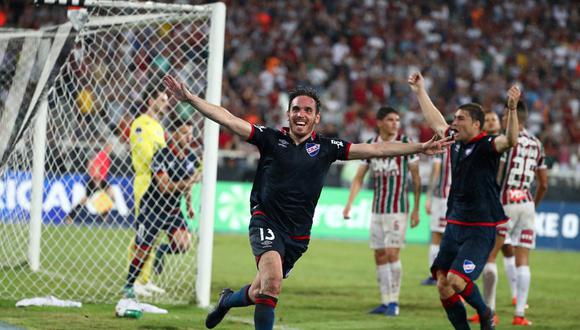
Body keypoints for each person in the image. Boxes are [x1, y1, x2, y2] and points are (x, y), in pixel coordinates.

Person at [162, 75, 452, 330]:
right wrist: (189, 98)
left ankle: (227, 300)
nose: (301, 114)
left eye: (307, 110)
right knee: (273, 281)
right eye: (296, 109)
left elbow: (377, 148)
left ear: (317, 118)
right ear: (288, 114)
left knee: (262, 289)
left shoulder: (328, 148)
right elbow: (228, 118)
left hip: (298, 234)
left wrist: (420, 147)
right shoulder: (270, 139)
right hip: (266, 220)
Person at [408, 71, 521, 330]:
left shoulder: (487, 145)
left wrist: (512, 110)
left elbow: (510, 140)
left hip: (480, 228)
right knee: (443, 284)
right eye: (455, 117)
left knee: (457, 281)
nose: (454, 122)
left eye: (461, 118)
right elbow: (437, 121)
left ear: (476, 125)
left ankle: (485, 313)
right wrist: (420, 91)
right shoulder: (455, 141)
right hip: (455, 224)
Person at [469, 104, 548, 326]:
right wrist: (534, 205)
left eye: (504, 116)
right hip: (527, 204)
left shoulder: (506, 141)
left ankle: (489, 311)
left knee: (489, 255)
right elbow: (544, 183)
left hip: (504, 203)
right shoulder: (536, 144)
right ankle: (520, 315)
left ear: (513, 118)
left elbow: (496, 175)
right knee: (523, 260)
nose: (503, 119)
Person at [342, 106, 421, 316]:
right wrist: (349, 203)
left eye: (397, 119)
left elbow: (416, 178)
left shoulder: (406, 144)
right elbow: (359, 177)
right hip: (377, 209)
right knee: (379, 254)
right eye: (390, 120)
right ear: (379, 123)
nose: (395, 123)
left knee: (392, 253)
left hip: (398, 209)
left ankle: (394, 302)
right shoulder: (370, 145)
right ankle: (385, 301)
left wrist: (416, 209)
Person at [121, 117, 200, 301]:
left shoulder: (191, 158)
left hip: (173, 210)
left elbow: (186, 188)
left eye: (191, 134)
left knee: (184, 244)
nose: (189, 138)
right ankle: (129, 284)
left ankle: (162, 250)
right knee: (143, 250)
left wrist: (188, 206)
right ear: (173, 135)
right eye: (184, 134)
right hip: (152, 209)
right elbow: (164, 187)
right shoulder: (161, 155)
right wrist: (189, 182)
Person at [128, 87, 170, 296]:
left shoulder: (158, 126)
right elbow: (147, 156)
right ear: (151, 99)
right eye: (162, 98)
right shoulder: (140, 124)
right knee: (142, 233)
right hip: (146, 182)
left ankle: (145, 278)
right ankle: (134, 280)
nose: (165, 102)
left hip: (159, 184)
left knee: (152, 233)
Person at [420, 134, 452, 286]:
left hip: (442, 198)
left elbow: (436, 171)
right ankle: (450, 273)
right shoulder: (465, 147)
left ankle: (436, 275)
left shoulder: (443, 147)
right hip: (457, 199)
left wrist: (428, 197)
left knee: (436, 235)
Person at [65, 143, 116, 224]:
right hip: (96, 180)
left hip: (101, 180)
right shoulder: (101, 156)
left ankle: (105, 216)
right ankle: (70, 216)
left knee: (110, 194)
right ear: (106, 147)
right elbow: (93, 164)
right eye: (110, 147)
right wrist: (95, 176)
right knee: (84, 200)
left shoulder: (107, 157)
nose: (111, 148)